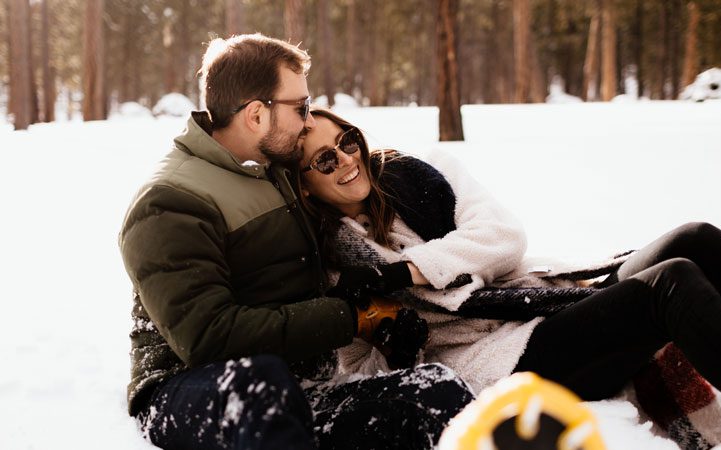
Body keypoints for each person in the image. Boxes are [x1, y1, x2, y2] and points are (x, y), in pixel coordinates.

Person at [292, 107, 721, 443]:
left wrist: (408, 271)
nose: (346, 160)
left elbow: (503, 235)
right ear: (306, 186)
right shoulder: (338, 270)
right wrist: (399, 345)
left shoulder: (422, 172)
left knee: (694, 237)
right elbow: (360, 374)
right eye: (324, 158)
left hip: (539, 300)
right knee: (671, 285)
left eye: (348, 140)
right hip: (504, 360)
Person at [119, 34, 472, 450]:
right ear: (255, 115)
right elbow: (209, 337)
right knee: (261, 386)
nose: (309, 120)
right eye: (300, 107)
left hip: (300, 384)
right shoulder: (171, 201)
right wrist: (352, 316)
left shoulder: (279, 170)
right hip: (190, 390)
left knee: (437, 392)